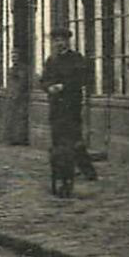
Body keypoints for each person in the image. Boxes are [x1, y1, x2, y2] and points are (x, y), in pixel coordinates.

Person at [40, 27, 99, 181]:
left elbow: (82, 79)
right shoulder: (51, 60)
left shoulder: (76, 59)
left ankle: (87, 170)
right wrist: (48, 87)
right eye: (56, 40)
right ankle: (62, 170)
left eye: (62, 40)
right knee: (58, 139)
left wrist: (64, 86)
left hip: (71, 105)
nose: (59, 43)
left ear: (67, 41)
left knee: (74, 139)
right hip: (55, 106)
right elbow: (43, 80)